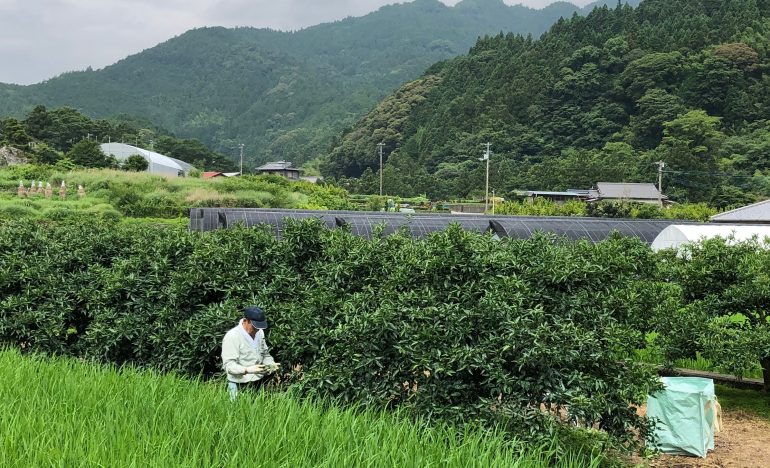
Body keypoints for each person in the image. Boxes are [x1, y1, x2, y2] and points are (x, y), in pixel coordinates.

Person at [221, 306, 279, 399]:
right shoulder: (232, 336)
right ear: (246, 321)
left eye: (259, 327)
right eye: (254, 327)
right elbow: (229, 365)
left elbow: (265, 353)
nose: (257, 330)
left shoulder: (259, 332)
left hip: (258, 381)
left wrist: (270, 365)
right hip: (239, 384)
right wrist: (247, 370)